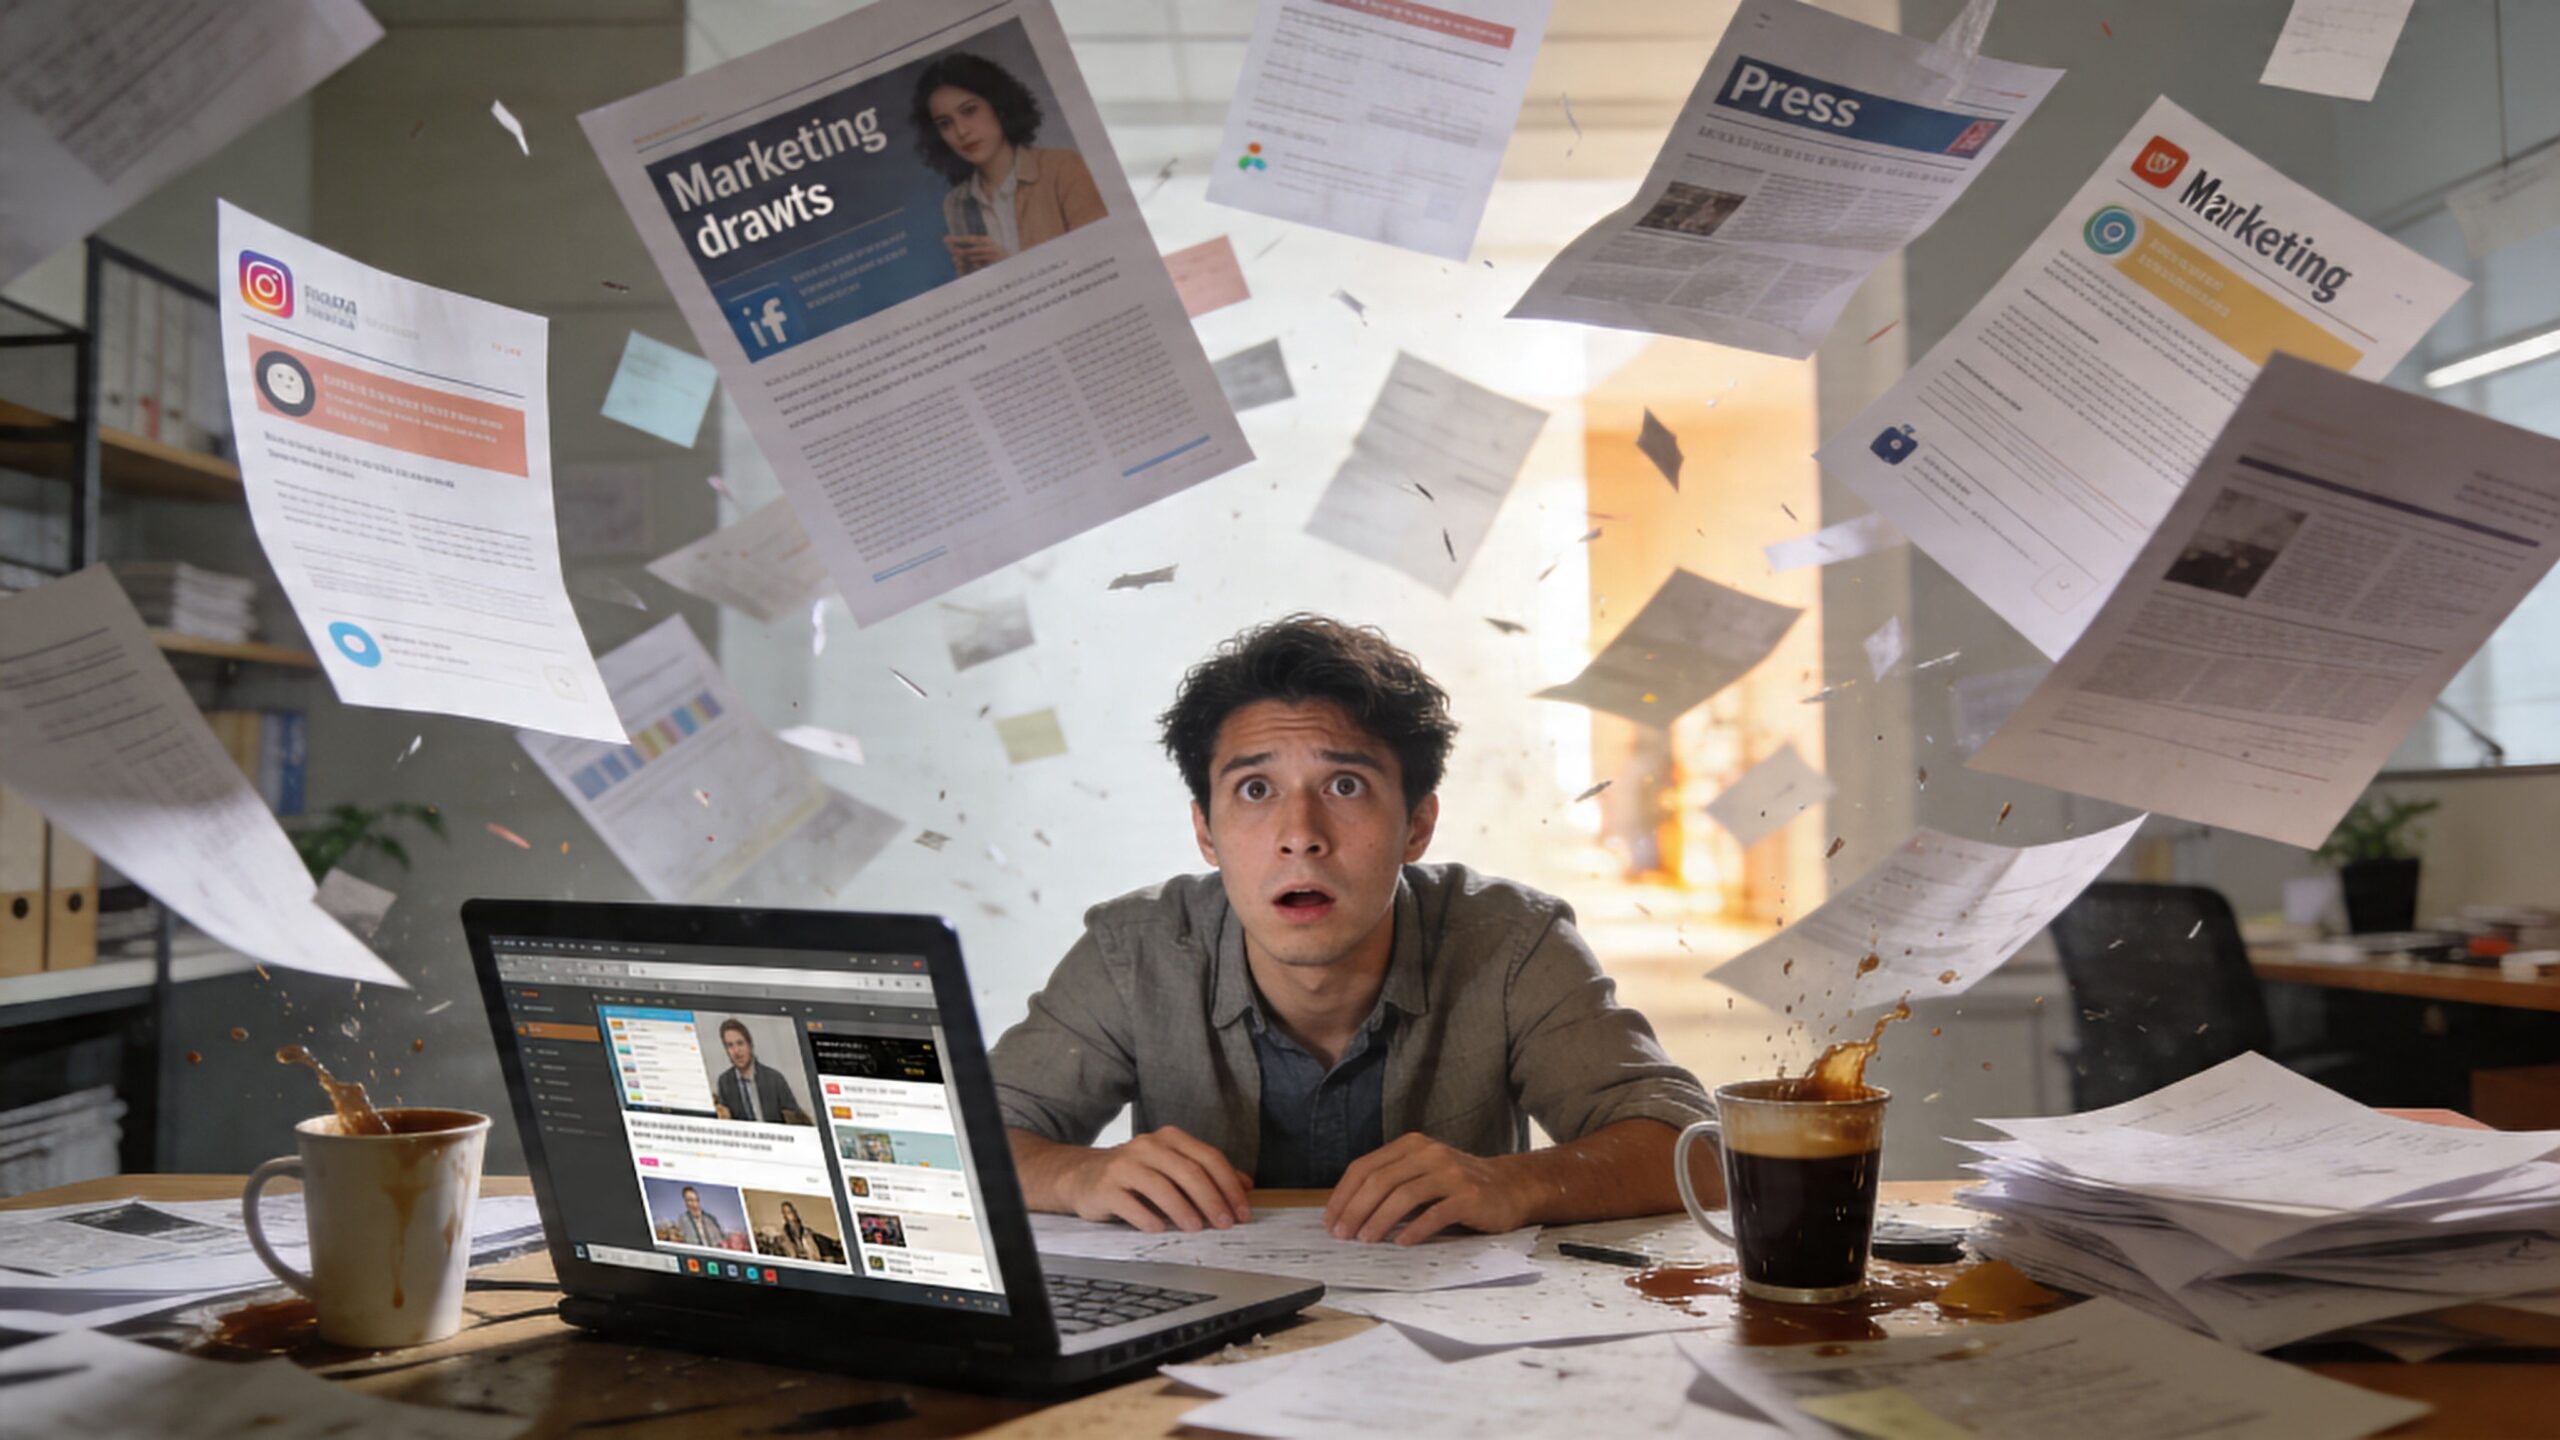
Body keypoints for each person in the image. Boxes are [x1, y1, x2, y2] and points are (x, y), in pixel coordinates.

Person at [990, 616, 1716, 1246]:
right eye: (1254, 789)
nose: (1299, 836)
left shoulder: (1512, 941)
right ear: (1205, 833)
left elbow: (1698, 1150)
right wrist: (1078, 1173)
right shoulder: (1135, 950)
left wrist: (1515, 1184)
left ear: (1418, 826)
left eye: (1344, 786)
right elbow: (938, 1143)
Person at [909, 51, 1104, 278]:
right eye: (945, 124)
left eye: (969, 111)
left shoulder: (1063, 168)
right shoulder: (955, 203)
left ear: (998, 105)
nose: (961, 131)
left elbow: (1103, 263)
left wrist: (1013, 267)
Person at [712, 1019, 807, 1125]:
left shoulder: (774, 1078)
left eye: (740, 1043)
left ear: (750, 1045)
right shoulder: (724, 1082)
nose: (736, 1051)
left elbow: (796, 1119)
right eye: (730, 1046)